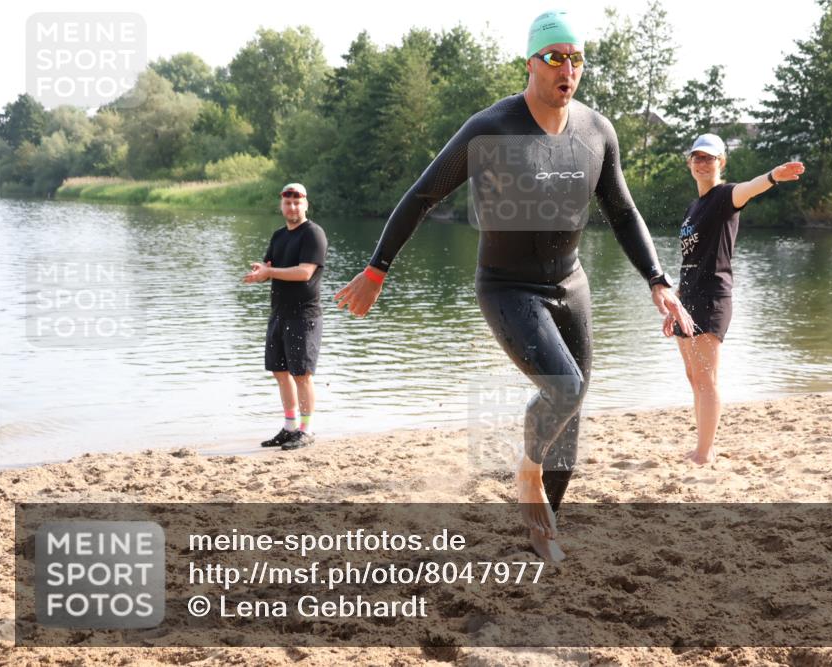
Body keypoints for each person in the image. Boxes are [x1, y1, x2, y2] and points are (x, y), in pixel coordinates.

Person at [334, 11, 693, 561]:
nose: (567, 69)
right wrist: (378, 268)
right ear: (530, 63)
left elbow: (622, 211)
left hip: (571, 283)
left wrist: (658, 281)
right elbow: (422, 195)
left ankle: (541, 530)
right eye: (555, 58)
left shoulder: (597, 132)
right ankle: (527, 472)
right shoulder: (492, 129)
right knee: (564, 388)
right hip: (507, 287)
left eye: (576, 59)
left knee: (571, 413)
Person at [663, 134, 804, 465]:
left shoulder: (725, 196)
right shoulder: (693, 206)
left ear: (721, 162)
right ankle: (703, 444)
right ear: (689, 163)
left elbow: (750, 188)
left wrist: (772, 176)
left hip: (713, 297)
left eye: (709, 158)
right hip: (689, 299)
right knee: (692, 376)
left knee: (706, 377)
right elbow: (690, 260)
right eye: (697, 157)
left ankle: (705, 451)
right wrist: (675, 304)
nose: (702, 163)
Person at [243, 183, 328, 451]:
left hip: (303, 315)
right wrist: (260, 273)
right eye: (287, 202)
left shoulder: (313, 234)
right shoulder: (279, 235)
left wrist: (270, 273)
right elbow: (271, 267)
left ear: (306, 204)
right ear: (281, 205)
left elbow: (304, 273)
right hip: (279, 313)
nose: (292, 207)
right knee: (280, 372)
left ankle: (306, 429)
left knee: (301, 374)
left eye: (297, 202)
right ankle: (289, 427)